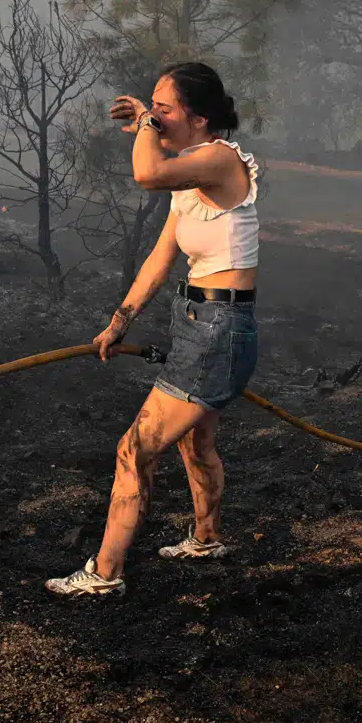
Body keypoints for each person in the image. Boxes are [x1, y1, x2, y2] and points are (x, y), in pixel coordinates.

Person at [45, 61, 261, 597]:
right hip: (200, 323)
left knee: (132, 451)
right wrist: (119, 322)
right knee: (195, 444)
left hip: (218, 331)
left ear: (199, 118)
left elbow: (145, 174)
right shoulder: (191, 176)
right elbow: (160, 260)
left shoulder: (220, 160)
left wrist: (144, 122)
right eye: (154, 109)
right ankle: (206, 539)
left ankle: (104, 574)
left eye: (166, 109)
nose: (156, 118)